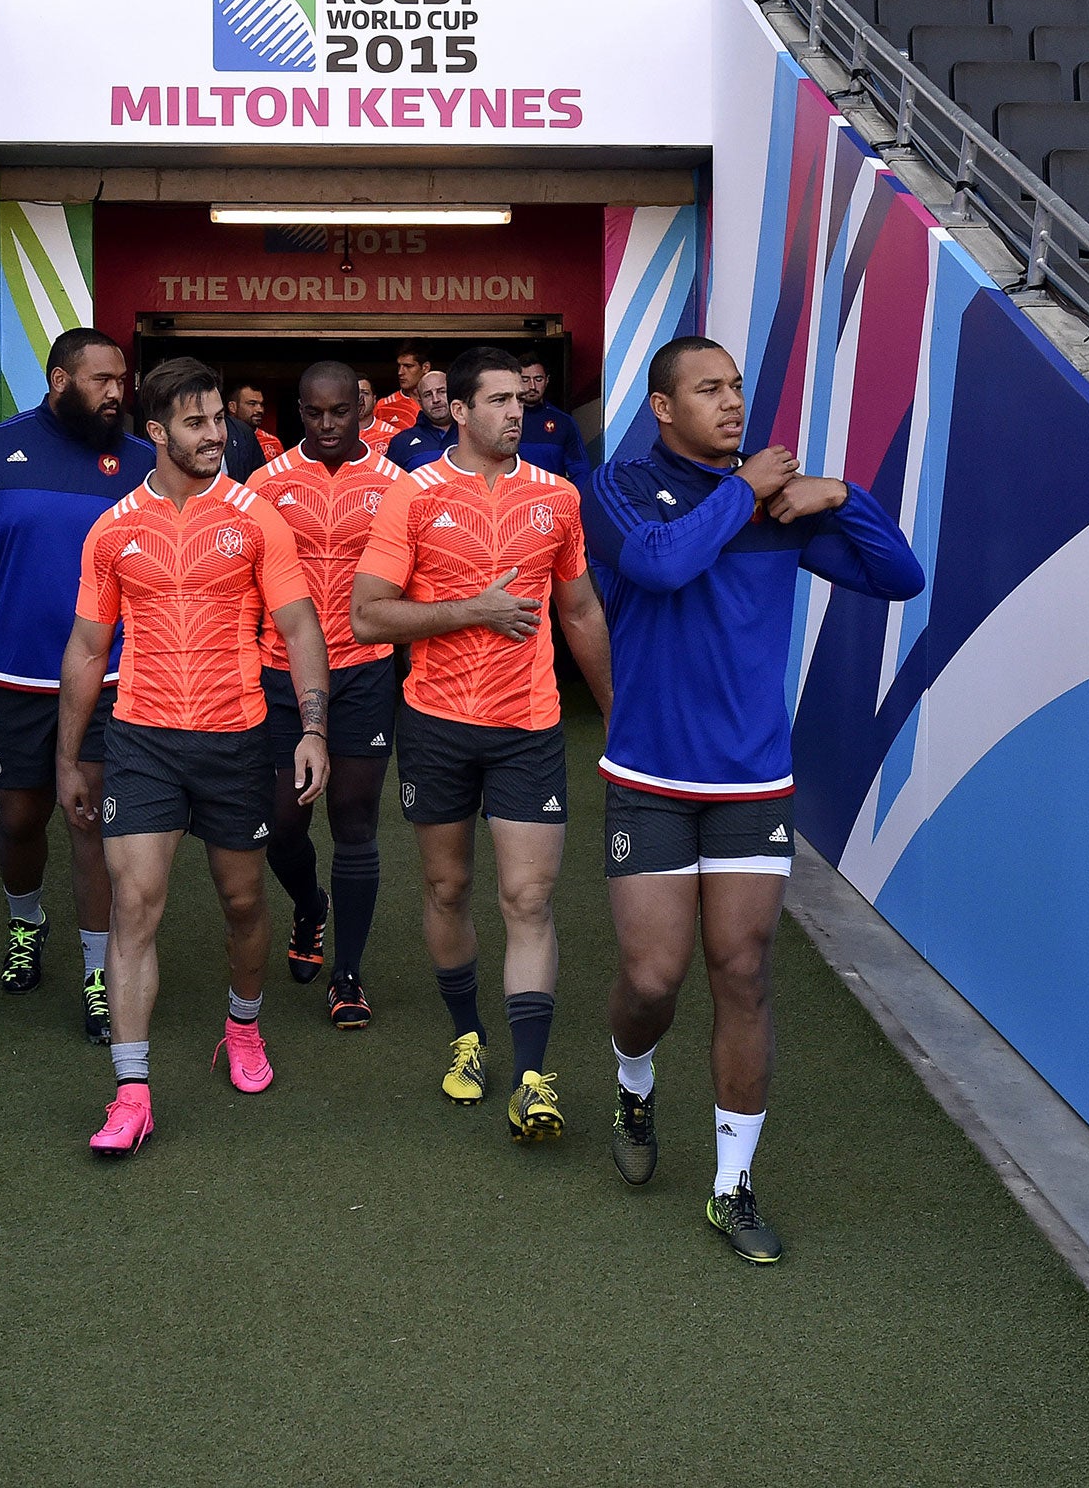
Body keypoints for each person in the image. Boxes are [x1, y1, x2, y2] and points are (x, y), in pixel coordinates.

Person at [582, 335, 923, 1263]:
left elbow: (899, 577)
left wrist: (844, 498)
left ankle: (731, 1187)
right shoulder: (615, 488)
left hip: (752, 780)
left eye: (736, 387)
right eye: (708, 389)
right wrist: (747, 491)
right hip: (650, 776)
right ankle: (633, 1075)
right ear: (662, 408)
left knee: (742, 971)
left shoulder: (779, 505)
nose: (732, 403)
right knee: (652, 981)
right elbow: (657, 565)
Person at [57, 358, 331, 1157]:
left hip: (234, 739)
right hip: (140, 739)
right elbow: (85, 647)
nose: (217, 436)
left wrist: (311, 729)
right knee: (134, 905)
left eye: (221, 421)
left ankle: (242, 1028)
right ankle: (131, 1093)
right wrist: (71, 757)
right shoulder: (114, 529)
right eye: (198, 423)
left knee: (242, 903)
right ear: (156, 433)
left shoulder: (255, 518)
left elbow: (302, 628)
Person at [352, 346, 613, 1144]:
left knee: (528, 899)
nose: (515, 412)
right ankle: (468, 1035)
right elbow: (369, 615)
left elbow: (580, 612)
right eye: (496, 400)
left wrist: (616, 711)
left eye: (519, 400)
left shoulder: (558, 498)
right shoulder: (412, 496)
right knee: (446, 889)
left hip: (529, 726)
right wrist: (473, 610)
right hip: (434, 724)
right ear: (457, 412)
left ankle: (533, 1076)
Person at [0, 327, 151, 1043]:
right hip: (17, 674)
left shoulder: (143, 461)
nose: (117, 392)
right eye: (101, 380)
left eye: (122, 380)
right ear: (58, 380)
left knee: (89, 822)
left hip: (111, 676)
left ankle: (97, 974)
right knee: (21, 819)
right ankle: (27, 925)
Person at [254, 362, 411, 1028]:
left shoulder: (397, 486)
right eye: (313, 414)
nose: (325, 426)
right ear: (298, 410)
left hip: (364, 670)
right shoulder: (263, 485)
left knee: (353, 823)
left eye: (339, 413)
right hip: (277, 671)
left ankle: (347, 975)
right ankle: (309, 905)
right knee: (281, 825)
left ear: (361, 410)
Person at [515, 352, 592, 487]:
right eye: (525, 379)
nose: (532, 386)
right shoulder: (504, 420)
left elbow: (581, 471)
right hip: (512, 501)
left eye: (538, 379)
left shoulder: (564, 422)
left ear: (547, 380)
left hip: (553, 502)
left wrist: (574, 500)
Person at [385, 367, 453, 471]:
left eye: (441, 392)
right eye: (428, 395)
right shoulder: (401, 442)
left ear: (453, 394)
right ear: (420, 403)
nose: (436, 399)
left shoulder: (473, 434)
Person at [373, 340, 431, 433]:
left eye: (408, 366)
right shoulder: (384, 406)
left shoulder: (439, 401)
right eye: (399, 366)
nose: (400, 372)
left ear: (425, 368)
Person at [230, 382, 284, 463]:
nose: (260, 410)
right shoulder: (221, 439)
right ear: (232, 407)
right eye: (252, 404)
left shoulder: (272, 442)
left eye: (261, 404)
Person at [357, 377, 401, 454]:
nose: (360, 398)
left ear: (374, 400)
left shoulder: (392, 434)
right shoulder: (340, 434)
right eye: (355, 393)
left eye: (365, 393)